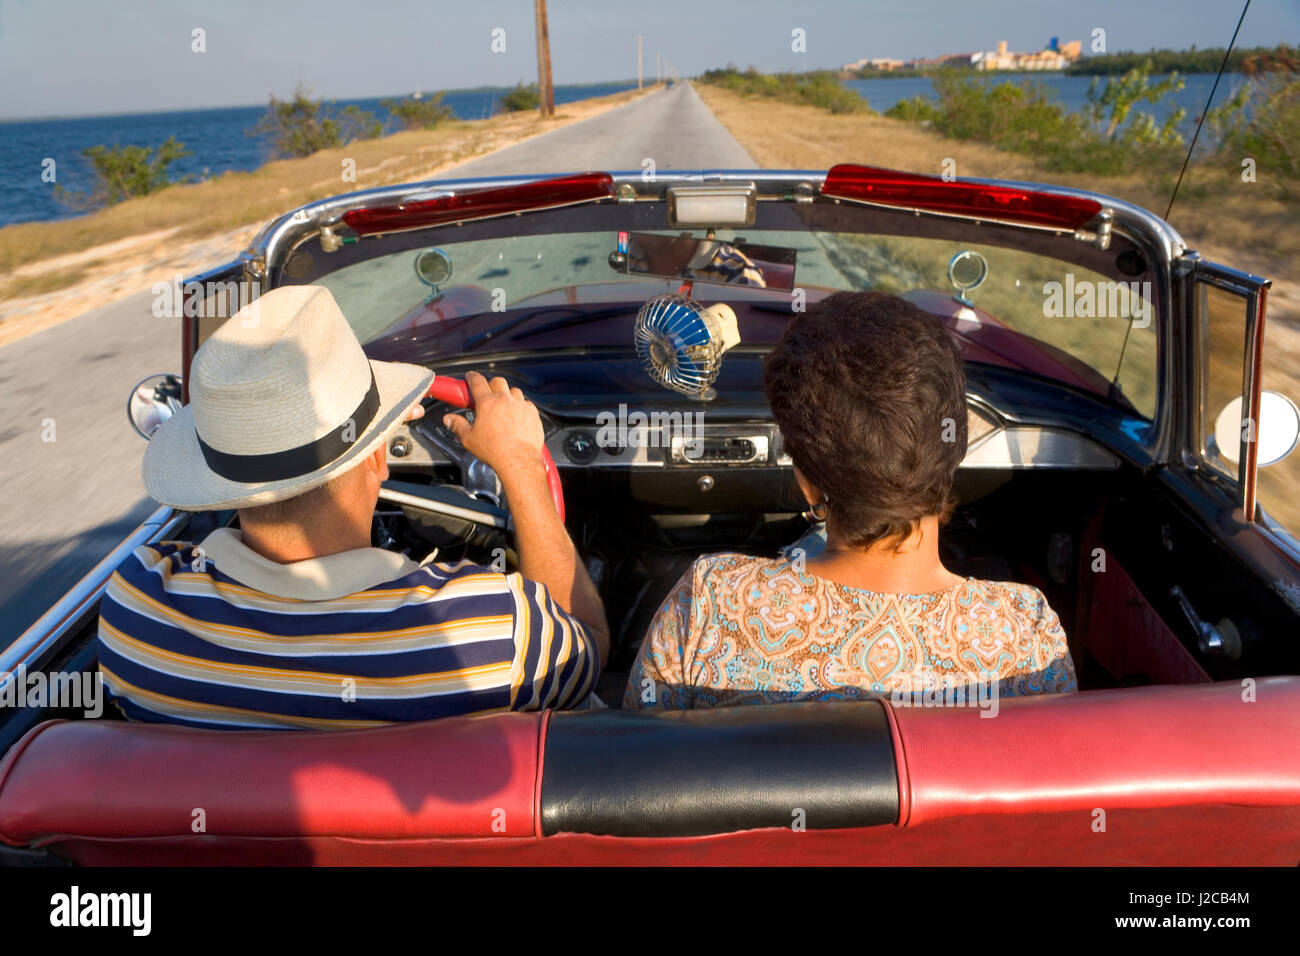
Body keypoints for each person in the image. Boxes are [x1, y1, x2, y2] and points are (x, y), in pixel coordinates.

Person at [98, 284, 608, 729]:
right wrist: (520, 466)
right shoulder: (492, 633)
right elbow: (587, 643)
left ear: (218, 479)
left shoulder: (137, 614)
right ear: (378, 458)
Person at [625, 291, 1076, 710]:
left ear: (806, 483)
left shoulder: (709, 603)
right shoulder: (1026, 635)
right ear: (952, 448)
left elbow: (638, 770)